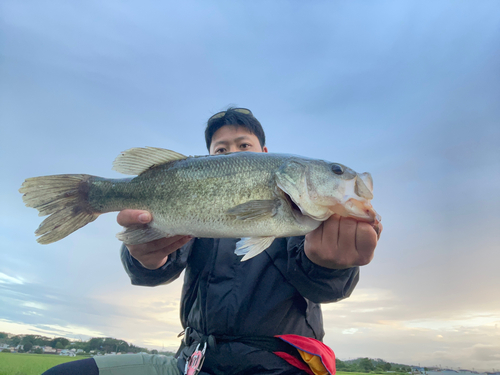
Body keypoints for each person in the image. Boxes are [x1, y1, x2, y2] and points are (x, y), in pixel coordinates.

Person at [42, 108, 381, 375]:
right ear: (208, 159)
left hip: (281, 367)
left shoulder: (308, 225)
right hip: (194, 362)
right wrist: (141, 256)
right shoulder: (194, 223)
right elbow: (155, 270)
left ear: (264, 153)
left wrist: (333, 267)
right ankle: (86, 196)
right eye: (221, 149)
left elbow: (325, 287)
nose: (232, 152)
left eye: (243, 145)